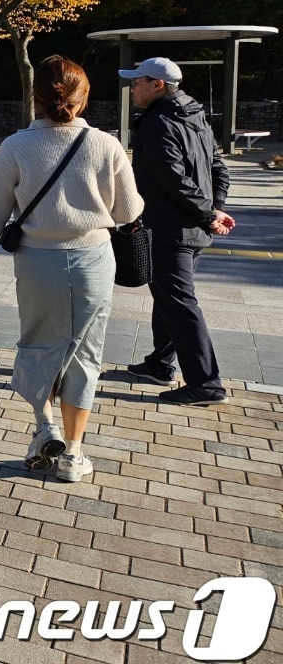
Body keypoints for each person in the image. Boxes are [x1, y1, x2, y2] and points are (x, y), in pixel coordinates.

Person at [0, 56, 144, 483]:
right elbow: (129, 210)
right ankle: (74, 454)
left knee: (37, 344)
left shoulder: (15, 146)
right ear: (83, 100)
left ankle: (44, 424)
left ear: (36, 98)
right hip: (93, 261)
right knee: (85, 354)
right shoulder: (106, 145)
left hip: (36, 261)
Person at [119, 56, 234, 406]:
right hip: (191, 230)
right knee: (170, 298)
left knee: (180, 305)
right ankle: (159, 364)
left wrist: (208, 215)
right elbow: (218, 168)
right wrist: (214, 209)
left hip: (170, 229)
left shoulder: (157, 122)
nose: (132, 87)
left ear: (158, 85)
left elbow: (173, 179)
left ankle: (205, 382)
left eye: (138, 81)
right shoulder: (194, 115)